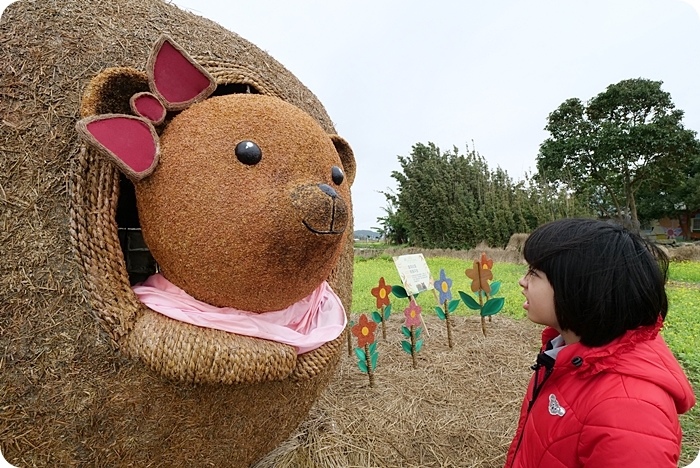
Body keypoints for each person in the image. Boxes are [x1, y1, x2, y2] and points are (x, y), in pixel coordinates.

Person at [505, 218, 696, 467]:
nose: (523, 281)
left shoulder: (629, 412)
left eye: (534, 273)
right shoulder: (567, 356)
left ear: (578, 287)